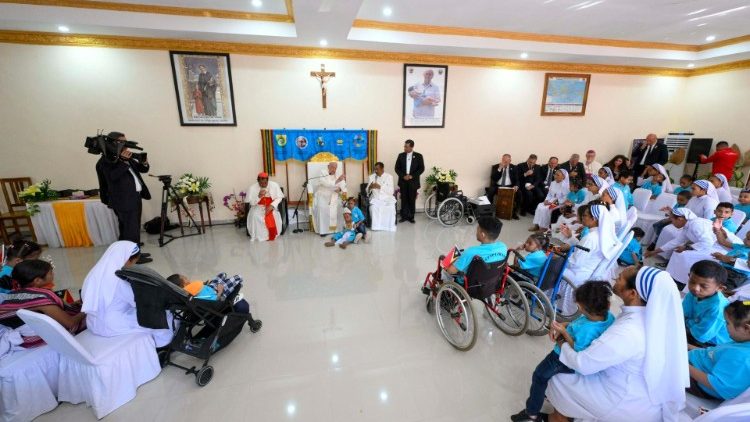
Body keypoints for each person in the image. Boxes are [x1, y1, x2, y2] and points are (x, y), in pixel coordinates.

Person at [546, 266, 689, 422]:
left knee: (555, 377)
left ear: (632, 293)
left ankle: (558, 418)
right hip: (631, 385)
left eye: (620, 277)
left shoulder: (629, 331)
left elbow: (583, 364)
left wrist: (562, 341)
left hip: (621, 397)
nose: (615, 277)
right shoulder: (648, 317)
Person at [512, 281, 615, 422]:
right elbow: (580, 322)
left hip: (561, 358)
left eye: (580, 307)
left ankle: (531, 413)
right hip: (567, 352)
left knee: (539, 376)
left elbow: (576, 349)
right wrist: (565, 325)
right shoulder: (608, 317)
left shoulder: (588, 330)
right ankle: (547, 396)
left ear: (583, 307)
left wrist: (563, 332)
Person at [81, 241, 172, 347]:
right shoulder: (118, 281)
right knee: (164, 317)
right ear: (127, 259)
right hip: (111, 325)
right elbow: (139, 302)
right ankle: (162, 346)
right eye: (133, 263)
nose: (133, 266)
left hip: (92, 322)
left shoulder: (94, 273)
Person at [0, 259, 86, 348]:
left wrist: (77, 304)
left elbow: (58, 309)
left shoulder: (16, 293)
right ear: (37, 280)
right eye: (50, 273)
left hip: (26, 328)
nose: (53, 274)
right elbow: (70, 323)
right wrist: (87, 309)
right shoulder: (41, 298)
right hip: (36, 336)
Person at [95, 131, 152, 264]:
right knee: (129, 229)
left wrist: (144, 163)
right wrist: (123, 162)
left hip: (135, 198)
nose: (125, 145)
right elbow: (112, 177)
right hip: (123, 200)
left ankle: (133, 252)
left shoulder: (123, 157)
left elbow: (142, 169)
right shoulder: (105, 160)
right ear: (114, 143)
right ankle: (133, 257)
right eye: (122, 142)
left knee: (132, 228)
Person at [558, 205, 622, 315]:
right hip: (588, 272)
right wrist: (570, 238)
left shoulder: (590, 238)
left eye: (585, 215)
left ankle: (542, 297)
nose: (582, 218)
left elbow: (575, 263)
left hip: (578, 273)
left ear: (594, 219)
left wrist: (560, 256)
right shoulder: (604, 236)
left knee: (549, 264)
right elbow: (583, 251)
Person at [688, 300, 750, 401]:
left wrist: (682, 365)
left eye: (727, 323)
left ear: (746, 329)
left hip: (698, 383)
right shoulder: (742, 342)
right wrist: (687, 346)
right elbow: (710, 354)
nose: (725, 327)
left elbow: (715, 384)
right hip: (694, 364)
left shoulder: (742, 358)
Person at [165, 273, 261, 331]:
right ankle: (235, 299)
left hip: (207, 294)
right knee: (238, 277)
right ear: (183, 283)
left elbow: (202, 292)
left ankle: (221, 286)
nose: (187, 277)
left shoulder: (183, 296)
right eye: (184, 277)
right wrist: (219, 291)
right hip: (218, 297)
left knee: (222, 275)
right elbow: (212, 298)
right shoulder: (193, 285)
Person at [682, 260, 732, 347]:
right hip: (693, 328)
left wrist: (682, 324)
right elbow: (682, 313)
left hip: (710, 341)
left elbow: (701, 335)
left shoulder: (718, 308)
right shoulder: (694, 293)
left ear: (720, 288)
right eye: (692, 282)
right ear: (689, 276)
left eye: (703, 286)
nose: (695, 288)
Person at [245, 172, 284, 241]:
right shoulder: (252, 188)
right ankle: (258, 236)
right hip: (258, 206)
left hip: (271, 205)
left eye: (265, 183)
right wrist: (259, 196)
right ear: (258, 181)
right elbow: (251, 203)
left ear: (267, 180)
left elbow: (279, 197)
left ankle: (272, 235)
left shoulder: (274, 185)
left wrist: (272, 206)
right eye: (261, 183)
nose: (263, 184)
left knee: (274, 215)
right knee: (255, 216)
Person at [312, 161, 347, 235]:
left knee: (340, 207)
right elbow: (326, 184)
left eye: (335, 168)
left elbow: (343, 185)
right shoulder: (323, 173)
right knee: (322, 208)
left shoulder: (338, 175)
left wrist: (340, 189)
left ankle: (337, 229)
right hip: (323, 195)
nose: (333, 169)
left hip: (334, 195)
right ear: (328, 167)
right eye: (332, 167)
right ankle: (323, 231)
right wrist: (338, 181)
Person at [395, 139, 424, 223]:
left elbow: (421, 168)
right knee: (404, 198)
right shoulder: (401, 155)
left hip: (413, 181)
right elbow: (396, 168)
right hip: (403, 181)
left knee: (411, 199)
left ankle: (411, 216)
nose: (404, 148)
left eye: (406, 146)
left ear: (411, 147)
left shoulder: (418, 156)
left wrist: (412, 176)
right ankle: (404, 216)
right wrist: (403, 176)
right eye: (404, 146)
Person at [487, 153, 519, 219]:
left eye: (506, 161)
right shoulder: (496, 167)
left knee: (519, 193)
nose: (505, 162)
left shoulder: (514, 167)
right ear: (502, 160)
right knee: (490, 191)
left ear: (510, 161)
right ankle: (489, 211)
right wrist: (499, 169)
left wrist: (516, 185)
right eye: (503, 160)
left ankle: (513, 213)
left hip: (509, 186)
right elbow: (493, 178)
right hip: (498, 186)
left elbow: (517, 179)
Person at [366, 162, 396, 232]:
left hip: (386, 199)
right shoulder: (371, 177)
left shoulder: (389, 177)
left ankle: (388, 227)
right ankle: (376, 227)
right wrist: (370, 187)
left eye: (377, 169)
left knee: (391, 208)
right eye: (375, 169)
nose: (376, 171)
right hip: (376, 198)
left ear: (382, 169)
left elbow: (391, 191)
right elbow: (367, 190)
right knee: (373, 208)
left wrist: (380, 187)